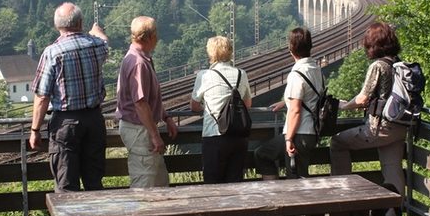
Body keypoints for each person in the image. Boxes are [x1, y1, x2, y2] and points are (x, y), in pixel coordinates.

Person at [29, 2, 109, 216]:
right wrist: (97, 31)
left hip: (66, 124)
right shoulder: (97, 46)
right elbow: (103, 40)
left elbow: (41, 96)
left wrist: (34, 130)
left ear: (57, 25)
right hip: (95, 121)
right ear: (81, 22)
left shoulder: (53, 53)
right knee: (94, 183)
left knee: (66, 184)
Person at [330, 21, 408, 216]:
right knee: (393, 172)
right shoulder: (397, 64)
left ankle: (343, 200)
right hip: (399, 127)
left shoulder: (378, 66)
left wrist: (344, 105)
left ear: (374, 45)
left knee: (337, 142)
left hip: (379, 128)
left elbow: (364, 98)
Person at [115, 16, 178, 188]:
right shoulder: (139, 64)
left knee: (159, 184)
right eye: (156, 34)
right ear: (149, 36)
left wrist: (166, 117)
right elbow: (141, 103)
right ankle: (139, 215)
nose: (157, 38)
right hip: (139, 130)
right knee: (144, 186)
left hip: (140, 129)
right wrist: (155, 135)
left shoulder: (138, 58)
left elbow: (151, 98)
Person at [254, 27, 323, 180]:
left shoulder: (296, 74)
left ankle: (276, 197)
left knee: (265, 156)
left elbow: (296, 111)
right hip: (311, 132)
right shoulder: (316, 69)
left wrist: (288, 139)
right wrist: (285, 102)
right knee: (299, 176)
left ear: (291, 48)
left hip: (298, 133)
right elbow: (309, 97)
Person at [190, 36, 252, 184]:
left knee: (213, 183)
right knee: (235, 183)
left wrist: (207, 107)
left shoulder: (204, 75)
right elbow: (247, 103)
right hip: (238, 136)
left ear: (211, 53)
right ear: (229, 51)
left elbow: (194, 105)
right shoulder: (241, 74)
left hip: (214, 135)